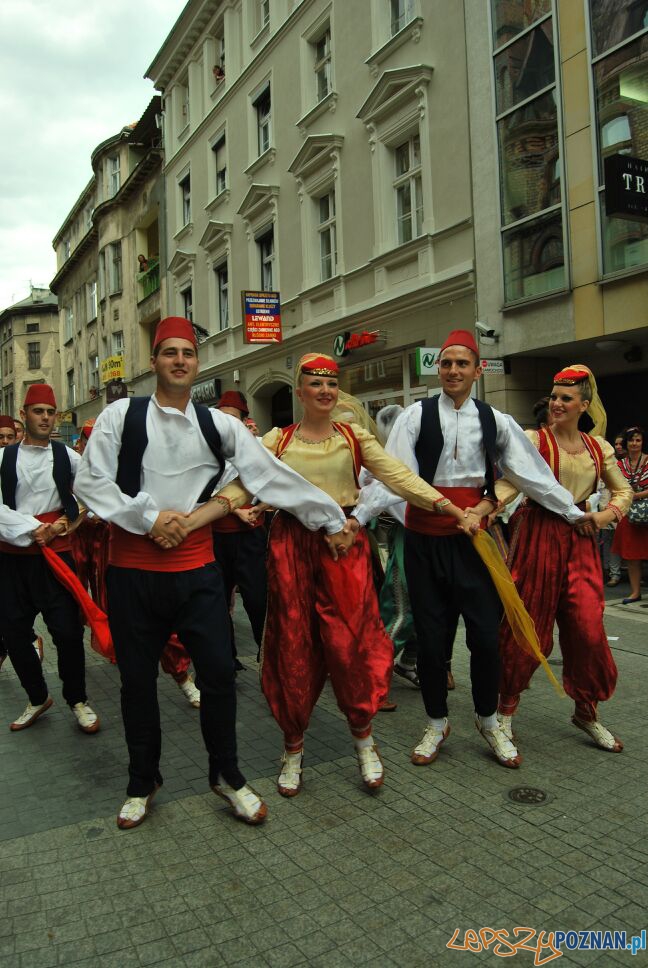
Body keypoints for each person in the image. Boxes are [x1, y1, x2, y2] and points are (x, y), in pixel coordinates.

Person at [74, 317, 356, 830]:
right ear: (154, 361)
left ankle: (227, 774)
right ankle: (143, 781)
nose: (180, 360)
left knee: (221, 677)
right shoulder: (121, 415)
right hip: (133, 572)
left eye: (188, 353)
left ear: (197, 363)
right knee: (137, 683)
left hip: (199, 571)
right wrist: (149, 518)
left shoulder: (218, 425)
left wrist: (331, 518)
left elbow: (271, 476)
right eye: (169, 353)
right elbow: (90, 483)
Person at [238, 351, 477, 799]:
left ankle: (365, 741)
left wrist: (447, 508)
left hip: (343, 544)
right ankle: (293, 747)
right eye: (315, 384)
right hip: (291, 545)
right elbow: (244, 480)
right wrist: (212, 508)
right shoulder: (277, 439)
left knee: (351, 645)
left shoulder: (354, 437)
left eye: (331, 384)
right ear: (300, 390)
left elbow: (400, 478)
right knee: (293, 644)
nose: (325, 391)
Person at [353, 330, 590, 770]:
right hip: (424, 540)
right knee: (430, 638)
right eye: (446, 364)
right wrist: (357, 519)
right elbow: (393, 477)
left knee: (484, 637)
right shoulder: (414, 416)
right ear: (438, 369)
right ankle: (436, 722)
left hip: (474, 543)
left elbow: (530, 472)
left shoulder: (496, 419)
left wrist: (574, 514)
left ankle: (487, 720)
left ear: (478, 370)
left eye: (463, 364)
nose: (454, 371)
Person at [497, 366, 632, 752]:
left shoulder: (598, 448)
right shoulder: (534, 440)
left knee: (588, 629)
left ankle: (586, 711)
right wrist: (485, 508)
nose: (557, 403)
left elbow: (620, 491)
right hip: (538, 533)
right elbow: (512, 482)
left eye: (566, 398)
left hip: (581, 537)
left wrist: (605, 516)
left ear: (583, 406)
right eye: (554, 397)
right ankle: (505, 710)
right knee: (528, 628)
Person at [0, 386, 99, 733]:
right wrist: (30, 529)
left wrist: (62, 524)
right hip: (12, 559)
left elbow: (91, 495)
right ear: (23, 414)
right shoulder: (3, 459)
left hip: (57, 557)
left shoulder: (68, 457)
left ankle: (78, 700)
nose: (44, 417)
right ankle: (37, 696)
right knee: (13, 634)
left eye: (50, 412)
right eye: (38, 411)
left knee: (67, 633)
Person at [212, 390, 268, 670]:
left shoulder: (259, 447)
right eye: (222, 418)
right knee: (218, 603)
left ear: (244, 421)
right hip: (215, 535)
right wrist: (235, 509)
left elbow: (275, 481)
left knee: (258, 601)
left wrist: (260, 507)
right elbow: (204, 491)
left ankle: (268, 660)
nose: (227, 424)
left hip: (250, 535)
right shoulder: (208, 449)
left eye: (232, 418)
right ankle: (227, 660)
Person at [612, 426, 648, 604]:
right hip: (628, 514)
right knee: (632, 555)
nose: (634, 443)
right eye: (631, 440)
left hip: (646, 510)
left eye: (638, 440)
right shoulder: (619, 464)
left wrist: (637, 495)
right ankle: (635, 592)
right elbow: (614, 486)